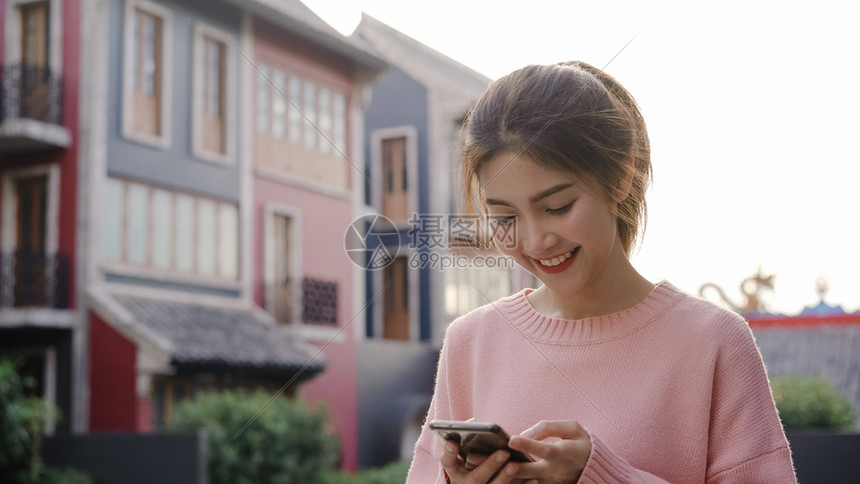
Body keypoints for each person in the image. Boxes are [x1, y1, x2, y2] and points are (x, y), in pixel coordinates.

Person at [405, 61, 797, 483]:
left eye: (557, 207)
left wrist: (606, 477)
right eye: (504, 217)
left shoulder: (713, 343)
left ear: (622, 174)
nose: (536, 241)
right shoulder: (471, 341)